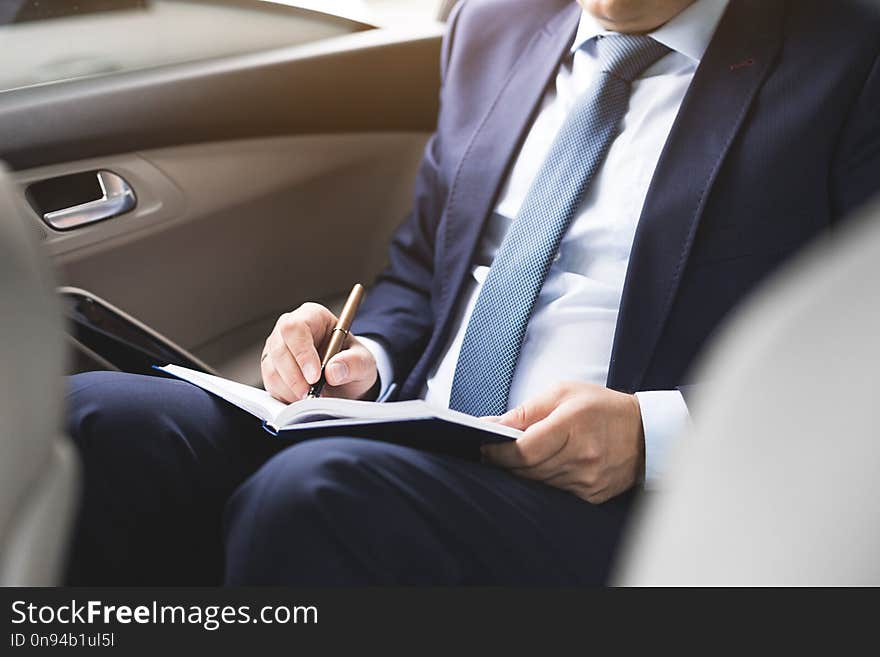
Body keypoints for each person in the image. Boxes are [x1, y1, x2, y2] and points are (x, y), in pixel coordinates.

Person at [66, 0, 880, 585]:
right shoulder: (493, 24)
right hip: (409, 427)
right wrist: (363, 357)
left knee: (315, 494)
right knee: (96, 418)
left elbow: (859, 366)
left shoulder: (850, 58)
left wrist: (652, 433)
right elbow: (423, 271)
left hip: (626, 503)